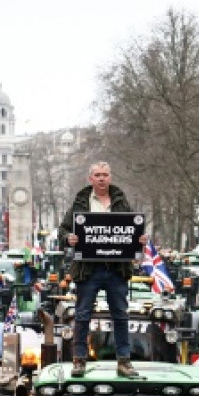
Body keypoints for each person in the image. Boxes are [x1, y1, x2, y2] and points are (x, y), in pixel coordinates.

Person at [59, 162, 143, 379]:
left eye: (105, 175)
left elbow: (131, 229)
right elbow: (63, 228)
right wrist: (68, 238)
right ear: (91, 179)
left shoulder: (121, 202)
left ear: (110, 177)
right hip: (89, 269)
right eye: (97, 175)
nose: (102, 179)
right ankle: (79, 360)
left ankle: (124, 362)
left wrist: (139, 238)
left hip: (116, 269)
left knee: (121, 316)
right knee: (82, 314)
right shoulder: (81, 203)